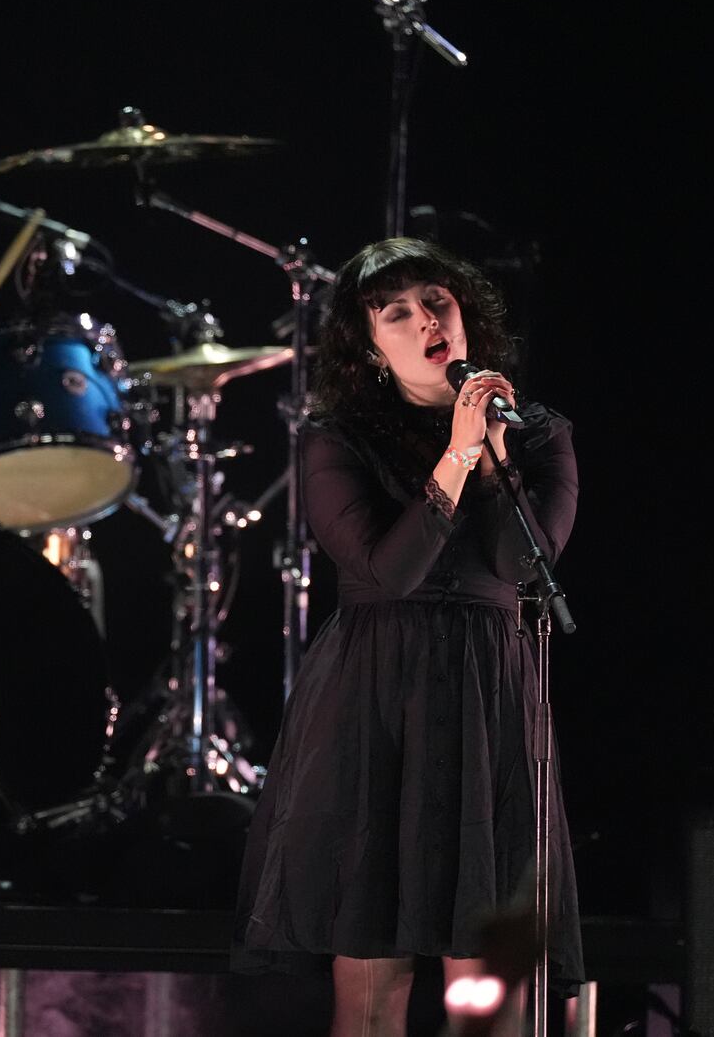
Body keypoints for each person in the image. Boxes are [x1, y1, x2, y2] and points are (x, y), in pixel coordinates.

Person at [233, 238, 582, 1036]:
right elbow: (389, 572)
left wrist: (493, 457)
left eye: (439, 301)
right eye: (398, 311)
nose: (427, 319)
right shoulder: (337, 440)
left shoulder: (539, 435)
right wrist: (456, 455)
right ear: (369, 346)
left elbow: (518, 565)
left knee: (489, 995)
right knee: (372, 987)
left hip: (491, 701)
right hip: (377, 701)